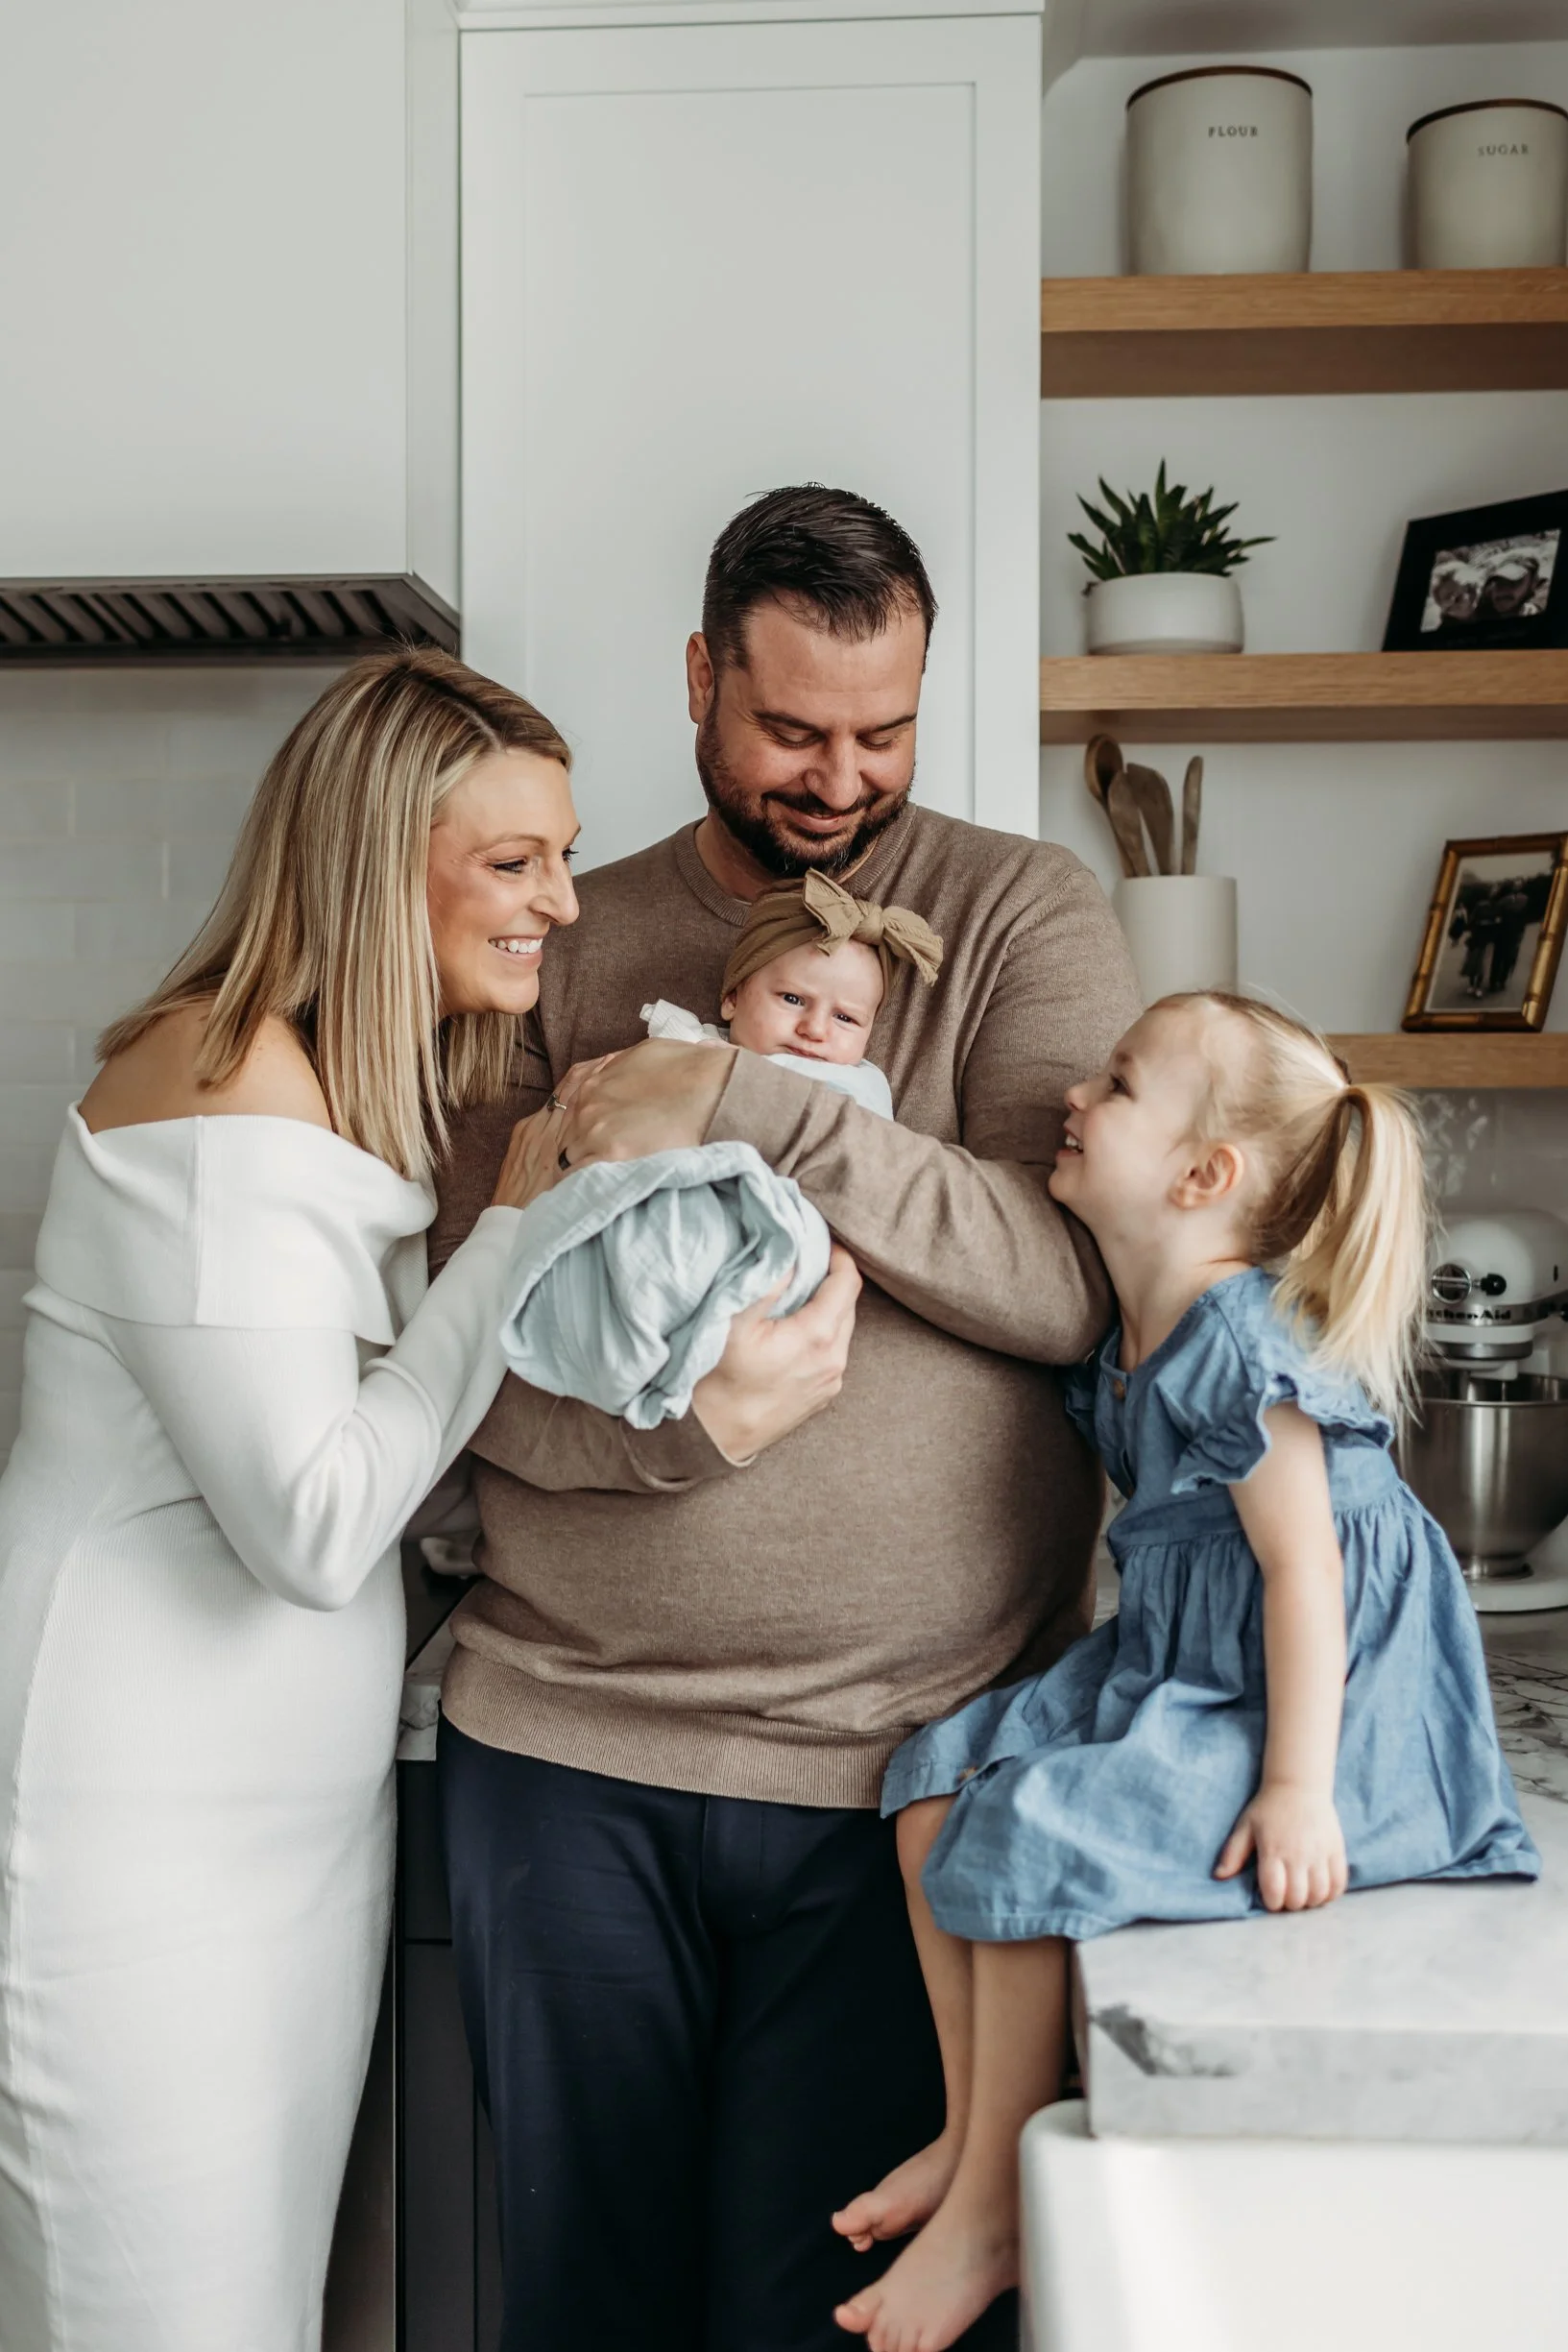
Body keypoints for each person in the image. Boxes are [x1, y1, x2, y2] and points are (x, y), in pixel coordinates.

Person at [0, 645, 846, 2352]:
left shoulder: (318, 1081)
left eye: (563, 850)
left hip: (269, 1828)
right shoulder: (217, 1088)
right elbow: (314, 1520)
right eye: (512, 860)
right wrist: (525, 1229)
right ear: (379, 856)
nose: (559, 903)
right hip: (127, 1835)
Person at [430, 483, 1140, 2351]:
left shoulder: (1014, 915)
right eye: (791, 730)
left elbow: (1068, 1279)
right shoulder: (554, 926)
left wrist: (748, 1094)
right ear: (698, 680)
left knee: (830, 2320)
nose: (840, 776)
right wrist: (684, 1436)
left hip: (902, 1780)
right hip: (567, 1749)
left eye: (883, 731)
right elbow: (454, 1327)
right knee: (590, 2312)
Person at [832, 991, 1539, 2352]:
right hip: (1191, 1656)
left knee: (1035, 1824)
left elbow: (1307, 1573)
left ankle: (992, 2207)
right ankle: (970, 2134)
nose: (1077, 1096)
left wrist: (1298, 1789)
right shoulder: (1134, 1332)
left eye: (1118, 1081)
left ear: (1201, 1175)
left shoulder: (1238, 1340)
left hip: (1324, 1701)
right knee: (933, 1784)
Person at [644, 866, 945, 1117]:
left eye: (845, 1018)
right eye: (792, 999)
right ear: (733, 998)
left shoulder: (857, 1087)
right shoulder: (688, 1041)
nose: (813, 1030)